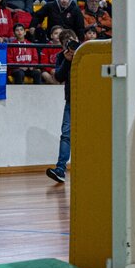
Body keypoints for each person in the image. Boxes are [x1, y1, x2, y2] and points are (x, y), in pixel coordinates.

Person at [47, 28, 78, 183]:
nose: (70, 45)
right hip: (72, 99)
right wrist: (67, 60)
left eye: (71, 41)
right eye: (66, 43)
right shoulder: (62, 56)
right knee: (66, 135)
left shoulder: (87, 52)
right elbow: (58, 77)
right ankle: (60, 169)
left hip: (89, 98)